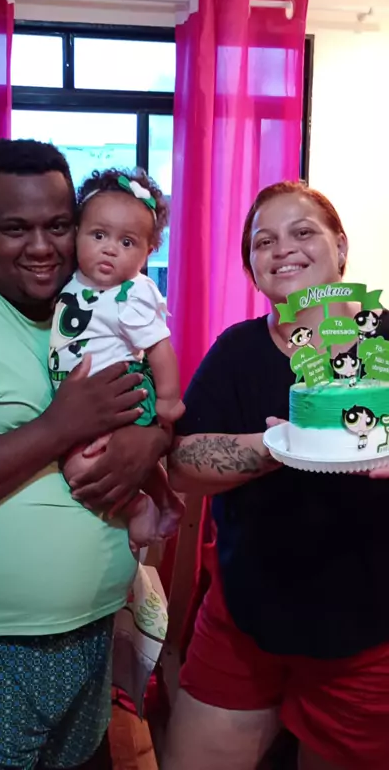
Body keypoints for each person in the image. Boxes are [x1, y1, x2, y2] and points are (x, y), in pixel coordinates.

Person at [0, 138, 172, 770]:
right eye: (15, 228)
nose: (41, 247)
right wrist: (58, 428)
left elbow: (148, 388)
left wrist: (153, 438)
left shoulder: (85, 297)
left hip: (88, 630)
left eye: (58, 226)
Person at [162, 181, 389, 770]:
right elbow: (182, 464)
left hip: (368, 637)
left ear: (341, 247)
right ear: (253, 268)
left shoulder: (385, 342)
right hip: (244, 625)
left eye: (303, 232)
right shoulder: (237, 351)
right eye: (264, 241)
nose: (282, 248)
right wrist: (277, 445)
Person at [51, 168, 184, 548]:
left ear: (148, 252)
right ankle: (165, 501)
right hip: (85, 401)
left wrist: (169, 400)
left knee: (81, 470)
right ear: (77, 233)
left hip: (119, 397)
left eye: (127, 242)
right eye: (99, 235)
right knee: (120, 458)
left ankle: (138, 508)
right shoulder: (70, 279)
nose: (110, 249)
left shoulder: (132, 295)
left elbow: (159, 347)